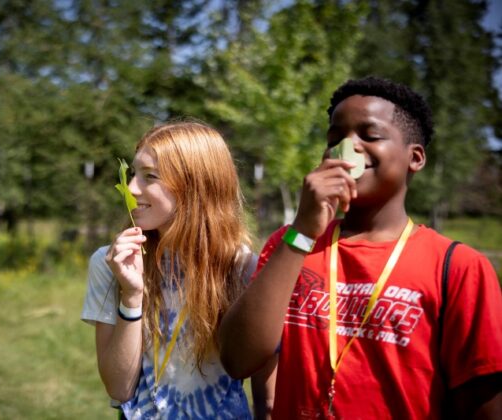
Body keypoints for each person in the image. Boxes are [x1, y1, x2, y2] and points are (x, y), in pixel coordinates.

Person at [219, 76, 502, 419]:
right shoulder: (290, 244)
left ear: (415, 158)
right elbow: (238, 359)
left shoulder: (458, 266)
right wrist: (303, 231)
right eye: (335, 138)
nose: (347, 148)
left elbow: (484, 405)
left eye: (370, 135)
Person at [81, 121, 259, 419]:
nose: (131, 187)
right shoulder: (110, 262)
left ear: (196, 186)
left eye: (149, 176)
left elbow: (267, 377)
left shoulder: (241, 267)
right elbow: (118, 388)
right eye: (133, 173)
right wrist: (132, 296)